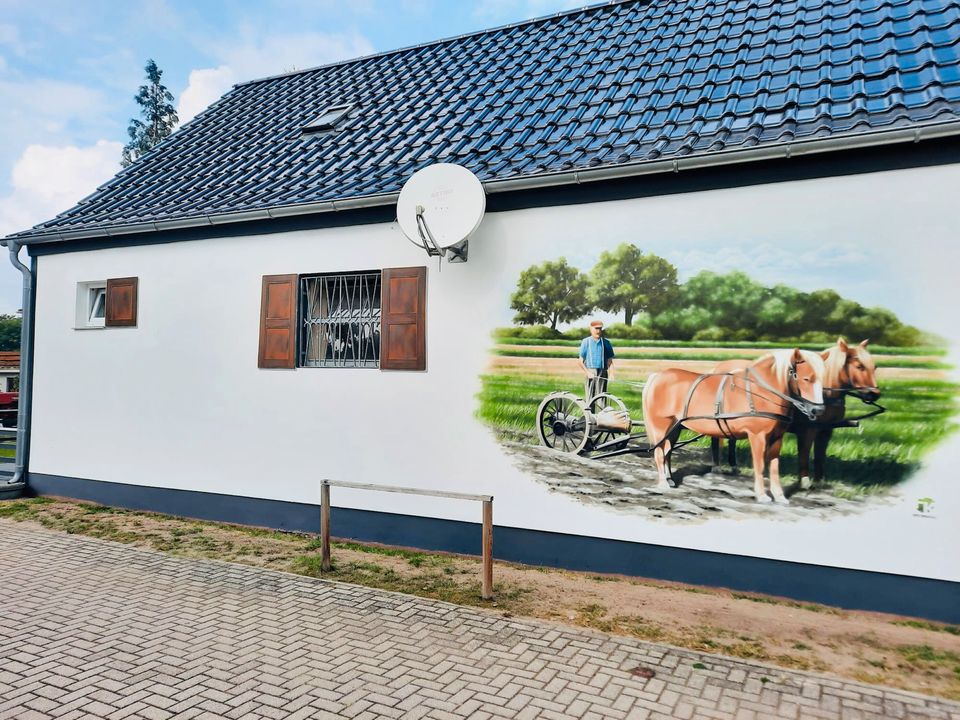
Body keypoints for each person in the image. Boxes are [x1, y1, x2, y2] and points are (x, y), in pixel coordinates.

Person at [578, 320, 614, 400]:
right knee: (590, 397)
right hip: (591, 371)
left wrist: (611, 374)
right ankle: (589, 412)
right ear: (591, 329)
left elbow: (610, 361)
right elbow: (580, 362)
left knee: (602, 397)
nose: (598, 331)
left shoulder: (606, 343)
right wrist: (587, 372)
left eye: (600, 329)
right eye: (596, 328)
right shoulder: (586, 342)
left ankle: (602, 412)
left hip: (602, 372)